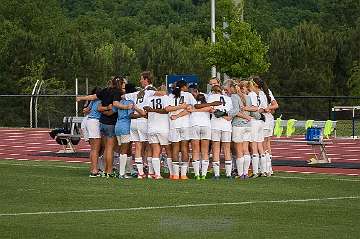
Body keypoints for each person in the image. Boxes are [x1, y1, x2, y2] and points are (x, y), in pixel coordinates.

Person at [77, 76, 125, 177]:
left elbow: (93, 98)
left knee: (102, 148)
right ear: (120, 84)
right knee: (106, 148)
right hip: (107, 122)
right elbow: (114, 106)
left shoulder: (105, 91)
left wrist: (82, 98)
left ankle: (101, 170)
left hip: (101, 122)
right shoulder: (118, 93)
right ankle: (106, 171)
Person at [165, 80, 197, 180]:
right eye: (186, 86)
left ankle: (175, 175)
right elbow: (191, 109)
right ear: (183, 87)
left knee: (175, 149)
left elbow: (167, 109)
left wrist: (176, 115)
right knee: (184, 148)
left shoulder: (170, 96)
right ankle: (183, 175)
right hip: (185, 124)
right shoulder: (188, 95)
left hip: (174, 124)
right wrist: (181, 111)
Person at [226, 80, 253, 179]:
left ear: (232, 88)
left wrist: (227, 112)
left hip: (238, 125)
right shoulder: (248, 97)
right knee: (246, 150)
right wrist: (248, 117)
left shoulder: (234, 97)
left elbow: (236, 111)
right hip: (248, 125)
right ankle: (245, 173)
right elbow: (251, 110)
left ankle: (240, 173)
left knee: (239, 151)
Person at [252, 77, 279, 176]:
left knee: (261, 144)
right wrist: (269, 108)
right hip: (269, 119)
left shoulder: (258, 93)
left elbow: (274, 106)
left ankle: (263, 169)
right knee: (267, 144)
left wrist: (266, 109)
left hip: (264, 120)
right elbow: (274, 106)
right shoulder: (266, 92)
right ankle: (268, 169)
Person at [143, 90, 172, 179]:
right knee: (168, 151)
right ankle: (172, 174)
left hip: (151, 127)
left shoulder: (149, 98)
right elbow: (167, 110)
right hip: (164, 127)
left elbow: (145, 108)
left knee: (156, 151)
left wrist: (152, 111)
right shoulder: (166, 98)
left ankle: (157, 174)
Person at [207, 85, 233, 179]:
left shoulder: (211, 97)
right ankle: (228, 174)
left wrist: (220, 114)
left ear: (213, 91)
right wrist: (224, 115)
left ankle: (217, 174)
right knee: (227, 150)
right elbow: (230, 113)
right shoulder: (228, 98)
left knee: (216, 150)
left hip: (215, 125)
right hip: (226, 125)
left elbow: (210, 110)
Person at [243, 78, 266, 178]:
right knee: (260, 146)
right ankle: (264, 170)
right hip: (260, 121)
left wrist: (244, 108)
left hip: (255, 121)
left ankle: (256, 171)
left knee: (254, 146)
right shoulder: (257, 94)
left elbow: (255, 108)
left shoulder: (251, 94)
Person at [82, 87, 102, 177]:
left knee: (93, 148)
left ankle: (93, 168)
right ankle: (94, 170)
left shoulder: (93, 101)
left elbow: (86, 110)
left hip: (89, 121)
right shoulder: (100, 100)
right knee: (96, 149)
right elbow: (99, 109)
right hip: (95, 122)